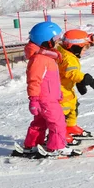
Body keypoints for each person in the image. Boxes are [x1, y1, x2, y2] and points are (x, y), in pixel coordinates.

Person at [21, 22, 80, 157]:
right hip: (45, 99)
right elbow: (34, 81)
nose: (58, 41)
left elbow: (50, 81)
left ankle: (32, 145)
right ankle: (57, 147)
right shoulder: (39, 59)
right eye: (55, 39)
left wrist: (57, 94)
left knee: (39, 123)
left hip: (48, 98)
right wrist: (34, 100)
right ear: (46, 41)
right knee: (58, 122)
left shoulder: (46, 57)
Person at [57, 30, 94, 139]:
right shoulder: (67, 58)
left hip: (67, 89)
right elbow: (72, 73)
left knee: (73, 108)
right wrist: (86, 79)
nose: (84, 52)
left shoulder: (67, 54)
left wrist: (79, 83)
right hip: (60, 91)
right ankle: (59, 133)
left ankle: (70, 126)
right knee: (62, 114)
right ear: (75, 47)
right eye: (84, 48)